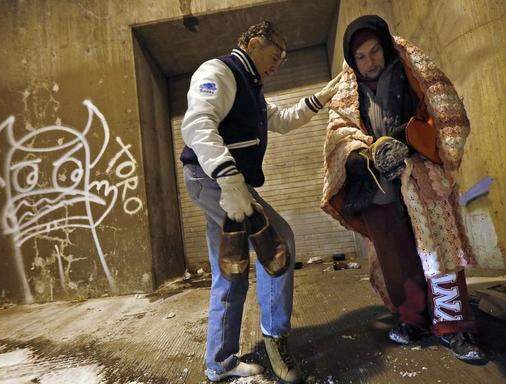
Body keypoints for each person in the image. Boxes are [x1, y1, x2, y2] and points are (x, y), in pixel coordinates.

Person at [180, 20, 341, 382]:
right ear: (253, 43)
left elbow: (280, 121)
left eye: (283, 59)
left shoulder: (251, 87)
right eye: (273, 55)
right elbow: (197, 123)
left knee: (229, 272)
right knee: (278, 244)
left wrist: (320, 99)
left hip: (224, 183)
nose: (278, 64)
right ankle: (275, 338)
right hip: (215, 181)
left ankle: (219, 363)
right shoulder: (220, 71)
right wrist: (228, 179)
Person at [320, 15, 486, 362]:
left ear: (385, 47)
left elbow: (441, 106)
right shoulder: (349, 91)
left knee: (438, 250)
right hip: (377, 185)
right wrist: (367, 151)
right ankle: (414, 319)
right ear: (353, 62)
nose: (370, 61)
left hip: (421, 177)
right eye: (361, 57)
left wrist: (406, 143)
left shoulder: (411, 71)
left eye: (374, 51)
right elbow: (339, 133)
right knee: (395, 258)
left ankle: (454, 326)